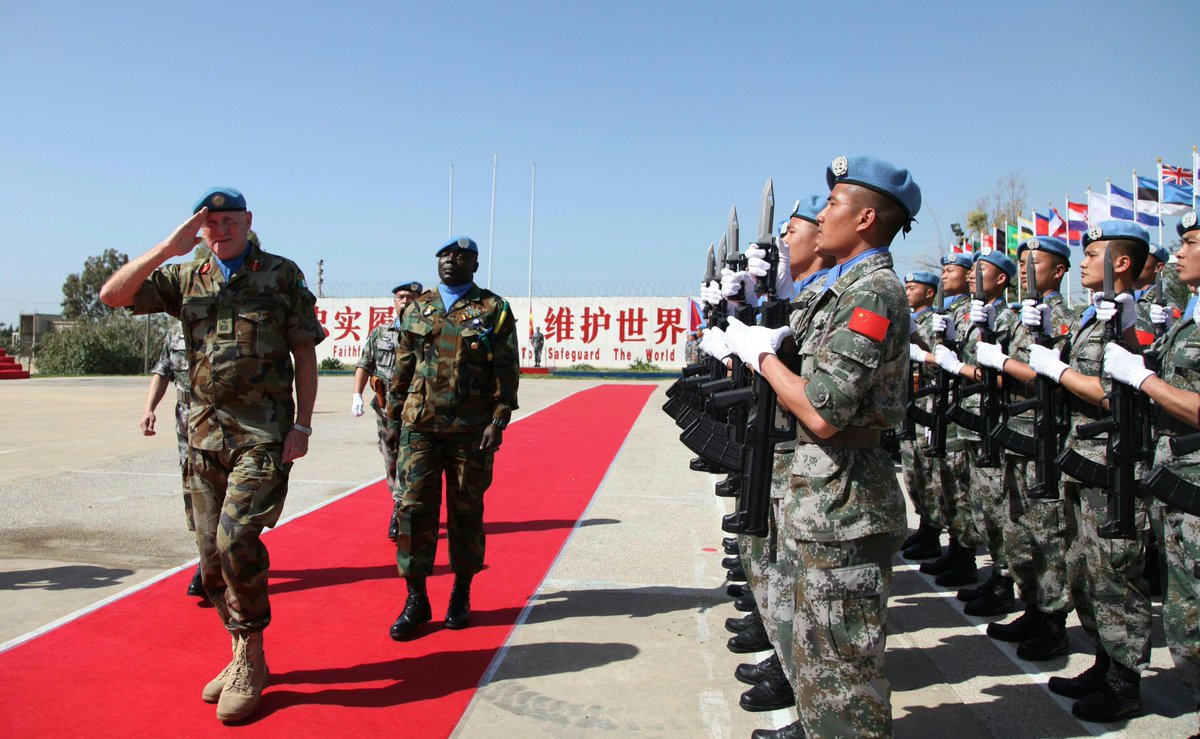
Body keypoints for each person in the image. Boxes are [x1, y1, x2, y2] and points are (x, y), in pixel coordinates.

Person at [99, 187, 325, 723]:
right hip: (202, 436)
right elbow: (112, 296)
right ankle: (241, 648)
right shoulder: (185, 277)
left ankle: (250, 654)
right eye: (210, 222)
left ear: (248, 221)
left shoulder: (280, 274)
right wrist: (167, 248)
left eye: (229, 220)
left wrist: (302, 425)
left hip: (263, 433)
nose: (220, 229)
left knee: (235, 538)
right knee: (208, 558)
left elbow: (304, 352)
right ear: (199, 229)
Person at [722, 155, 917, 738]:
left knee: (841, 665)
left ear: (865, 219)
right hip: (822, 493)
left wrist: (761, 357)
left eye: (833, 204)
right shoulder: (843, 289)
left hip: (845, 498)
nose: (821, 215)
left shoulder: (873, 292)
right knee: (813, 648)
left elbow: (823, 411)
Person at [990, 220, 1154, 722]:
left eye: (1093, 254)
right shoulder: (1093, 316)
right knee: (1086, 569)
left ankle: (1123, 682)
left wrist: (1056, 369)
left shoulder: (1134, 318)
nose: (1085, 262)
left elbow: (1115, 393)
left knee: (1115, 573)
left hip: (1113, 464)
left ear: (1120, 262)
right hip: (1082, 458)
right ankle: (1104, 662)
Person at [385, 236, 520, 640]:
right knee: (413, 511)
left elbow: (507, 368)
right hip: (420, 426)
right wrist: (393, 416)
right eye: (445, 255)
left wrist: (499, 418)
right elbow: (403, 366)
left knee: (466, 511)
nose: (451, 261)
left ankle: (461, 593)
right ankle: (416, 599)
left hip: (470, 429)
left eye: (461, 256)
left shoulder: (493, 308)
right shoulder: (418, 308)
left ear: (475, 265)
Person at [1103, 210, 1200, 735]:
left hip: (1194, 485)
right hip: (1178, 483)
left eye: (1191, 242)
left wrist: (1144, 381)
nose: (1178, 252)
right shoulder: (1190, 318)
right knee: (1185, 616)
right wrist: (1131, 330)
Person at [975, 236, 1077, 660]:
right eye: (1022, 262)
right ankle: (1033, 607)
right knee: (1019, 528)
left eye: (1035, 262)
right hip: (1015, 433)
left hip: (1042, 438)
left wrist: (1003, 362)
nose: (1025, 268)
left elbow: (1052, 377)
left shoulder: (1062, 317)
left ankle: (1053, 622)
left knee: (1047, 534)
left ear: (1059, 271)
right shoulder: (1022, 315)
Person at [353, 281, 423, 539]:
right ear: (394, 302)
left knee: (413, 461)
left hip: (416, 411)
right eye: (400, 297)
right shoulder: (380, 333)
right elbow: (365, 363)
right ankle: (400, 502)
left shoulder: (426, 332)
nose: (405, 301)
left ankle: (402, 509)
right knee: (391, 460)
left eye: (411, 297)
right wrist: (357, 394)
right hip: (386, 411)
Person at [140, 321, 205, 600]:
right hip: (186, 423)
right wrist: (149, 409)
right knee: (193, 492)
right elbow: (163, 371)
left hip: (220, 421)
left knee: (221, 492)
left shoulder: (220, 323)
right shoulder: (175, 331)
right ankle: (206, 559)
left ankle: (220, 560)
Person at [898, 270, 940, 560]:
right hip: (910, 403)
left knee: (928, 469)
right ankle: (925, 524)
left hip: (927, 402)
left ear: (929, 293)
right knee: (912, 470)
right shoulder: (907, 320)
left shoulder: (935, 322)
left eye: (913, 287)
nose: (907, 291)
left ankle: (933, 529)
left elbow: (939, 362)